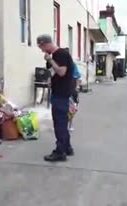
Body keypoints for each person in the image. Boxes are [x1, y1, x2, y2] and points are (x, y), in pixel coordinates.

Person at [37, 34, 74, 162]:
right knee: (61, 121)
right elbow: (54, 73)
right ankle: (67, 147)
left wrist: (50, 60)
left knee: (60, 123)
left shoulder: (61, 54)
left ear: (45, 44)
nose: (41, 50)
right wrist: (50, 79)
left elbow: (62, 72)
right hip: (58, 92)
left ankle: (60, 151)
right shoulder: (55, 56)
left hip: (61, 94)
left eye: (41, 47)